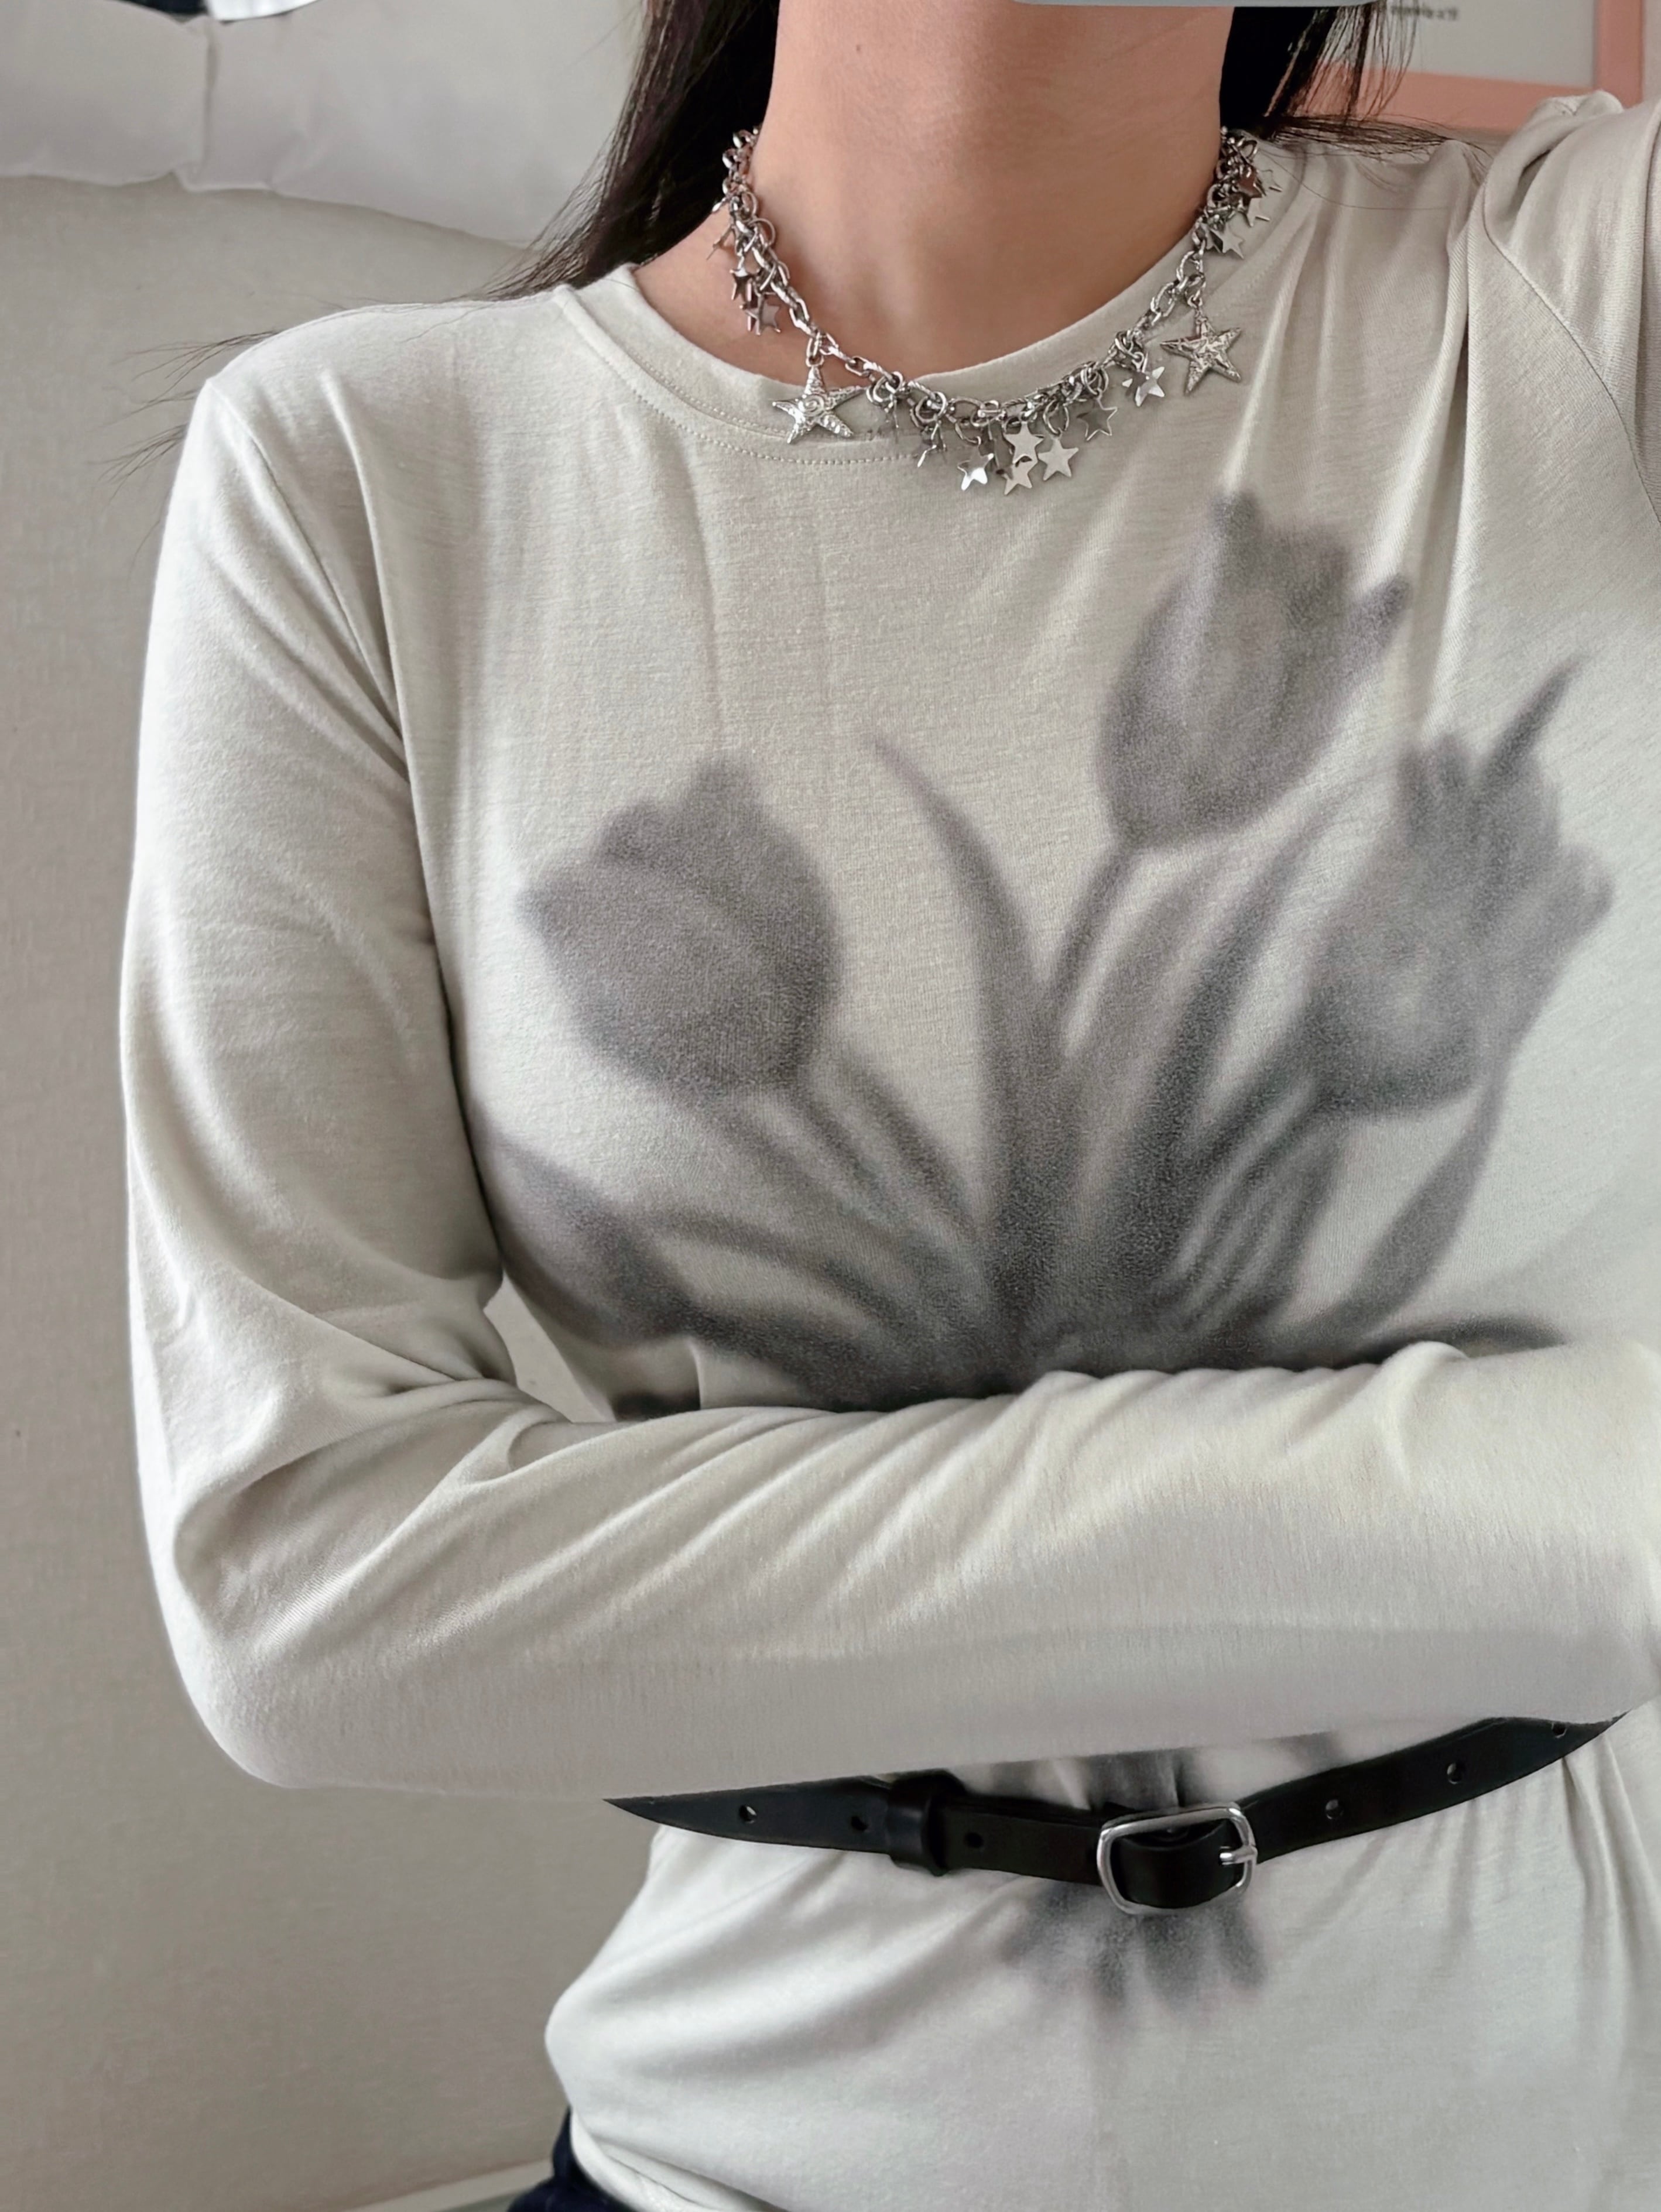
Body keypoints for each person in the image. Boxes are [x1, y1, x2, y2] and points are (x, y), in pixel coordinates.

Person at [118, 4, 1661, 2208]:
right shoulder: (367, 470)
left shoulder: (1582, 297)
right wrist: (1592, 1506)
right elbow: (306, 1590)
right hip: (736, 2158)